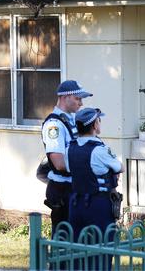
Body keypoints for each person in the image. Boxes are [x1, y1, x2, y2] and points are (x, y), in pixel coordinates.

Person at [67, 107, 123, 270]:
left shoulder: (71, 147)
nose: (100, 123)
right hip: (98, 204)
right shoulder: (99, 149)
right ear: (93, 125)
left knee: (78, 247)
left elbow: (70, 168)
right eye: (99, 120)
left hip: (76, 203)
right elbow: (120, 167)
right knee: (103, 247)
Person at [41, 80, 92, 236]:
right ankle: (59, 261)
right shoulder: (54, 125)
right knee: (63, 238)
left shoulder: (71, 121)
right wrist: (88, 167)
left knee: (77, 237)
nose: (81, 103)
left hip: (74, 186)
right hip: (62, 189)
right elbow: (58, 162)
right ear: (65, 97)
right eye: (78, 99)